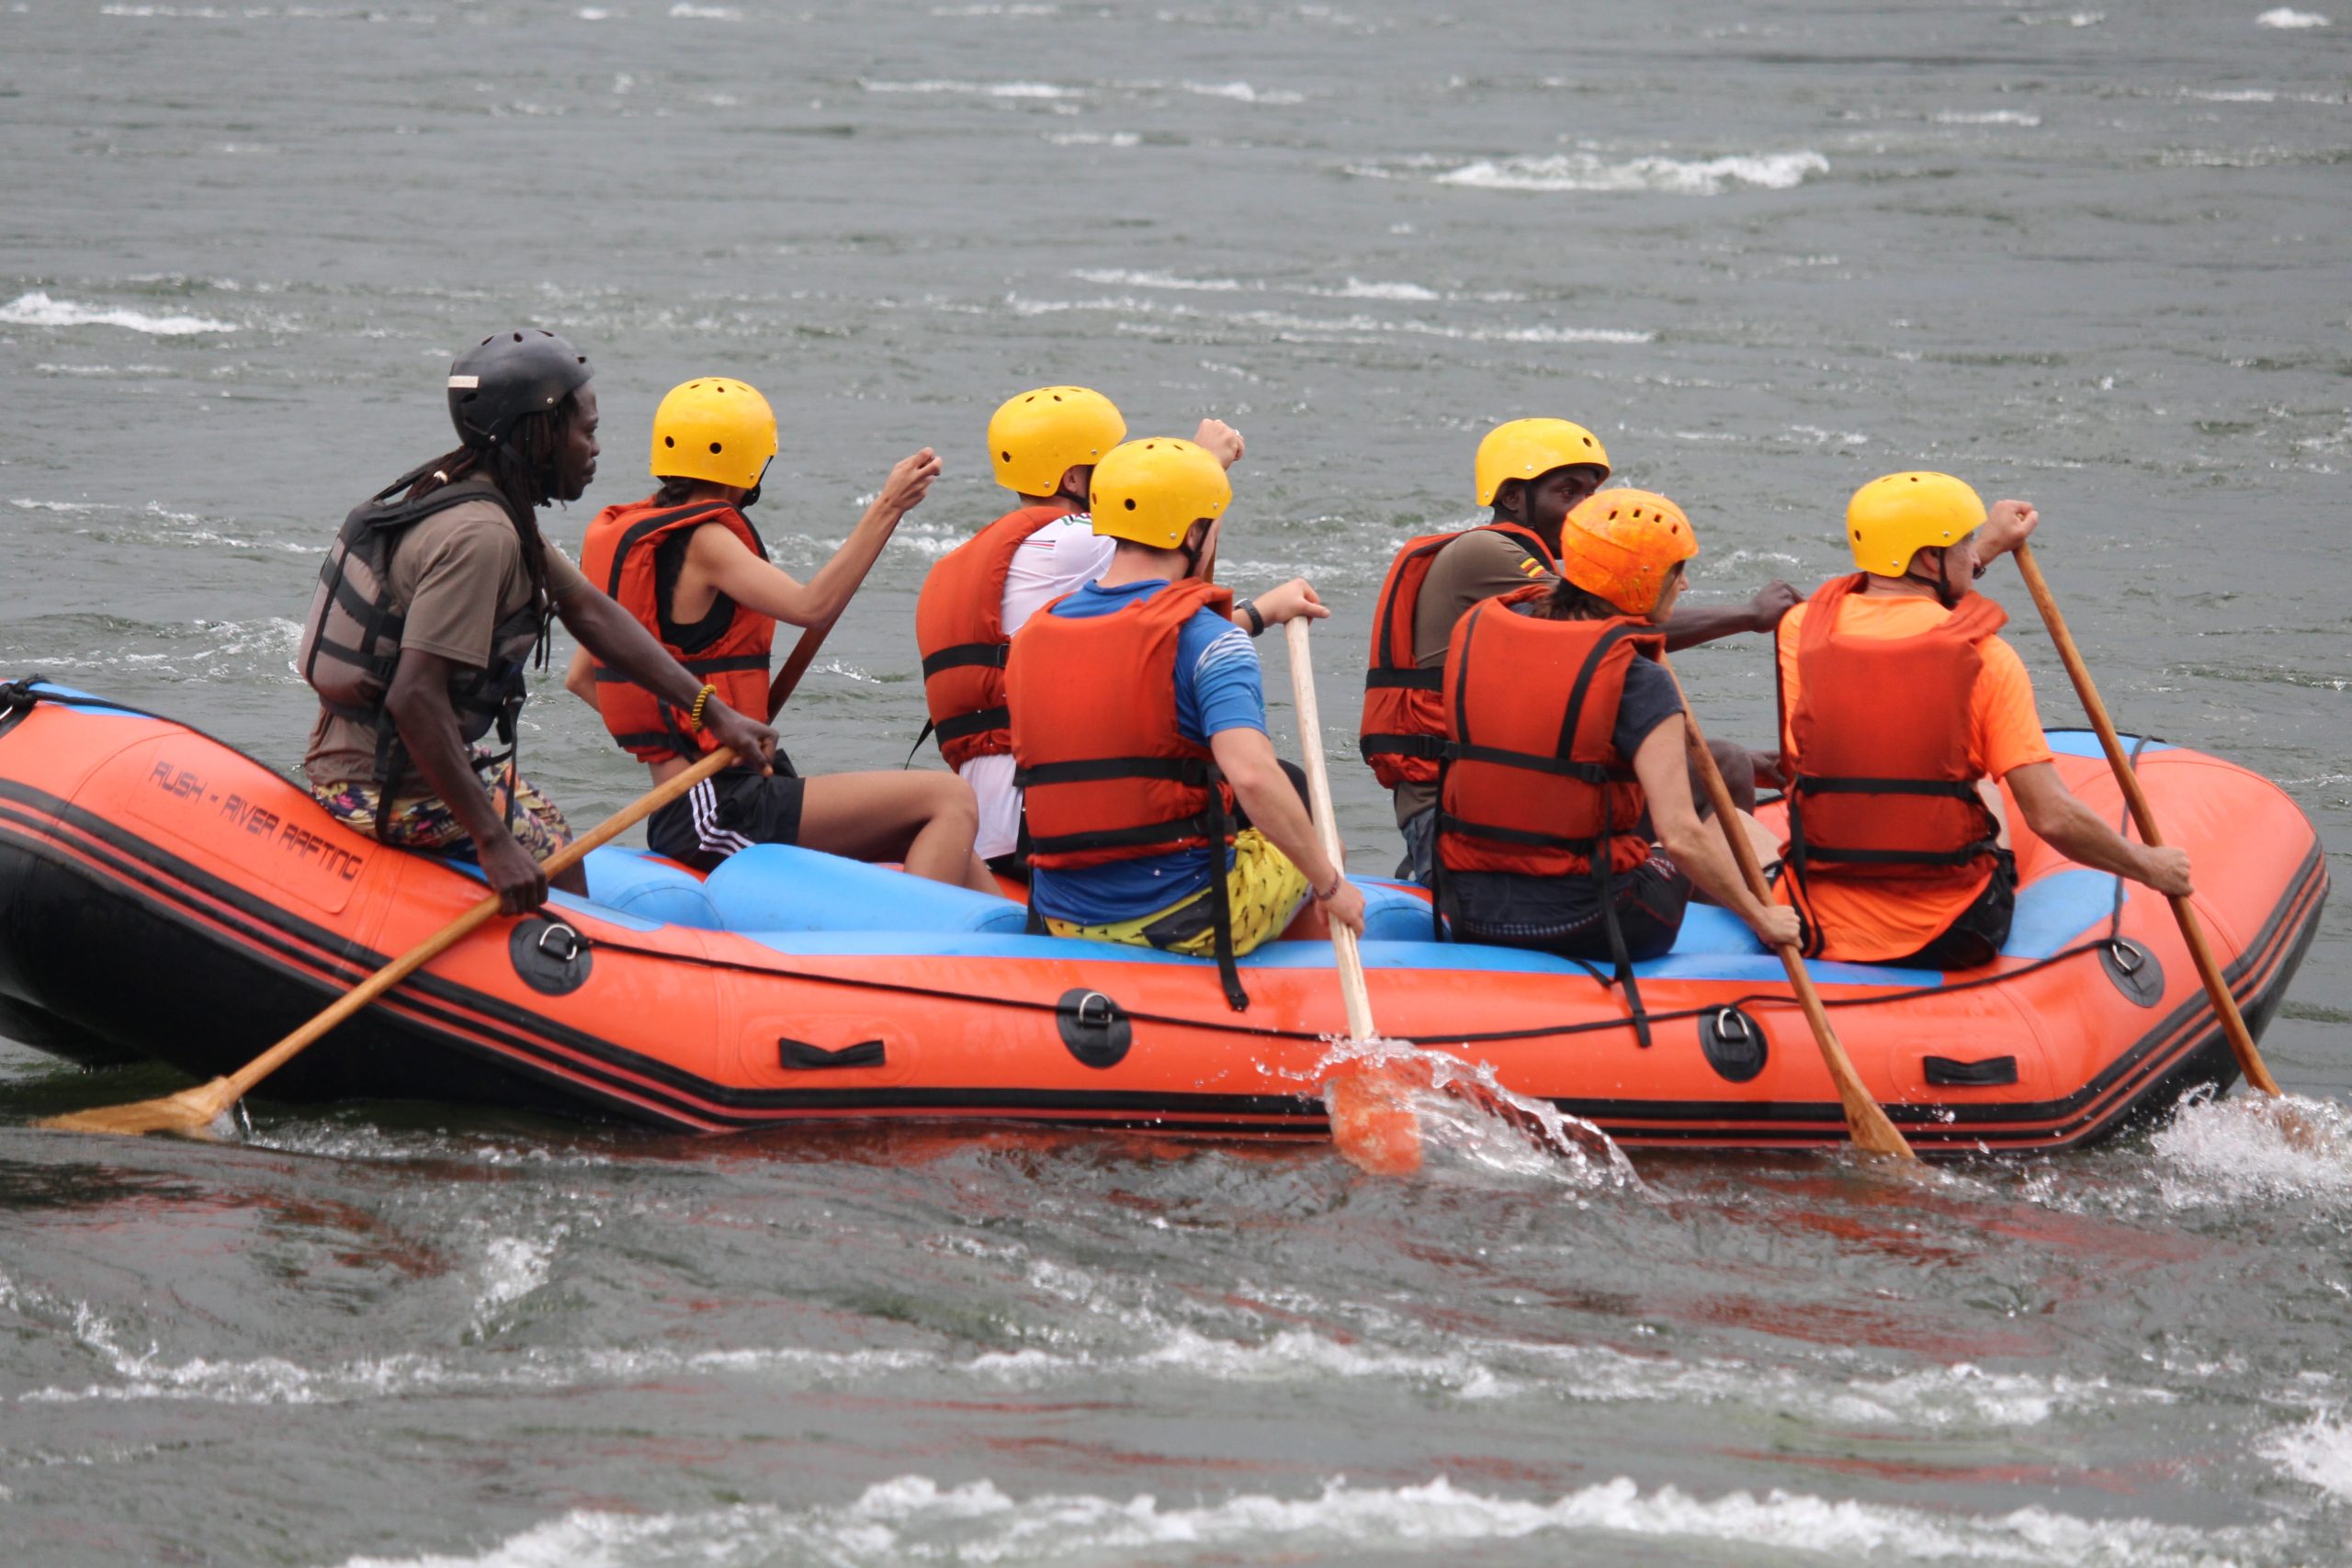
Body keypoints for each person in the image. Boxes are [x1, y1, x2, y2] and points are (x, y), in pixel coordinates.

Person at [299, 329, 777, 915]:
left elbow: (590, 612)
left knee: (551, 828)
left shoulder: (482, 496)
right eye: (588, 430)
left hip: (375, 759)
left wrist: (713, 712)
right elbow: (415, 696)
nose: (597, 447)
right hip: (379, 783)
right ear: (540, 432)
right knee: (551, 853)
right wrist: (493, 841)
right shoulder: (483, 537)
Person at [567, 378, 994, 890]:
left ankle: (1026, 954)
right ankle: (917, 958)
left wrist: (681, 740)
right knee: (949, 799)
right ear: (751, 464)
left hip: (697, 801)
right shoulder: (706, 540)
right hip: (720, 810)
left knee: (946, 840)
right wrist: (889, 507)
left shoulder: (640, 537)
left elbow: (583, 678)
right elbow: (812, 607)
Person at [1772, 471, 2193, 968]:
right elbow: (2051, 816)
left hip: (1813, 920)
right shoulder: (1989, 658)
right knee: (1991, 789)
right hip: (1949, 933)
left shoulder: (1800, 631)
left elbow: (1894, 614)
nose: (1973, 555)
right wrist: (2151, 867)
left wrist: (1981, 549)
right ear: (1931, 557)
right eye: (1965, 543)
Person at [1005, 435, 1364, 1010]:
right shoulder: (1213, 643)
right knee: (1322, 841)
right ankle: (1286, 1007)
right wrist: (1331, 884)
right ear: (1194, 533)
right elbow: (1252, 777)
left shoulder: (1034, 636)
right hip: (1180, 914)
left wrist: (1263, 611)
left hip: (1059, 912)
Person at [1360, 417, 1800, 885]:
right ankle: (1720, 922)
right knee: (1725, 764)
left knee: (1727, 762)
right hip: (1453, 815)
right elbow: (1608, 625)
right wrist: (1750, 615)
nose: (1584, 510)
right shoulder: (1486, 552)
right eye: (1567, 493)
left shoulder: (1523, 571)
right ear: (1512, 498)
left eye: (1591, 495)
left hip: (1510, 796)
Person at [914, 386, 1309, 877]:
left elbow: (1166, 633)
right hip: (1035, 817)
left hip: (991, 816)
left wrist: (1258, 614)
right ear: (1077, 477)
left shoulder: (983, 556)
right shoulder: (1075, 544)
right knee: (1282, 782)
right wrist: (1202, 469)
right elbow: (1183, 586)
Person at [1434, 491, 1802, 991]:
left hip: (1468, 906)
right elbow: (1681, 836)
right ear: (1645, 582)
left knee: (1722, 771)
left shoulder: (1483, 629)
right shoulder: (1638, 677)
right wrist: (1762, 916)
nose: (1685, 583)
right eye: (1678, 572)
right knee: (1702, 832)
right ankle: (1750, 920)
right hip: (1586, 921)